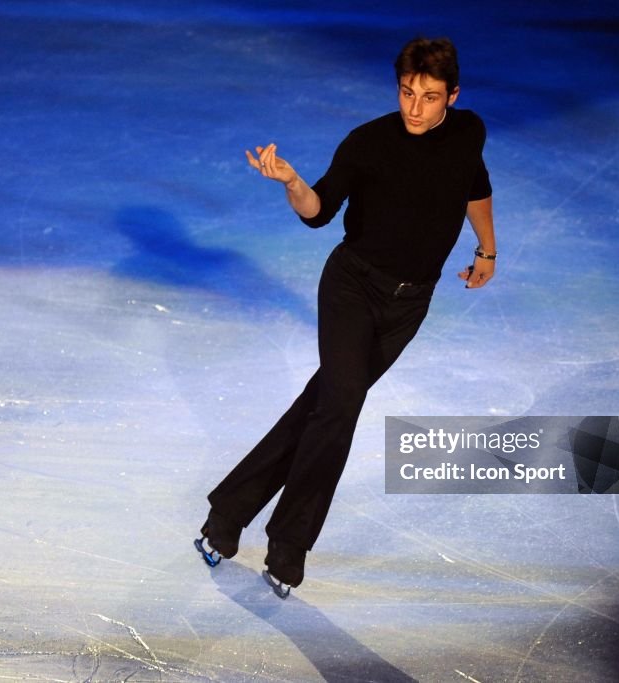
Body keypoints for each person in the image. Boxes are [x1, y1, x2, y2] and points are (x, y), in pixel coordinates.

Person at [195, 37, 496, 598]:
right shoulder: (368, 143)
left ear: (452, 97)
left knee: (325, 403)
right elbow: (319, 211)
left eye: (429, 98)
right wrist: (291, 182)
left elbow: (473, 185)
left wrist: (487, 250)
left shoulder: (468, 132)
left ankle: (226, 514)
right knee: (340, 406)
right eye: (407, 93)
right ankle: (288, 545)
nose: (414, 108)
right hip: (352, 288)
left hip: (410, 305)